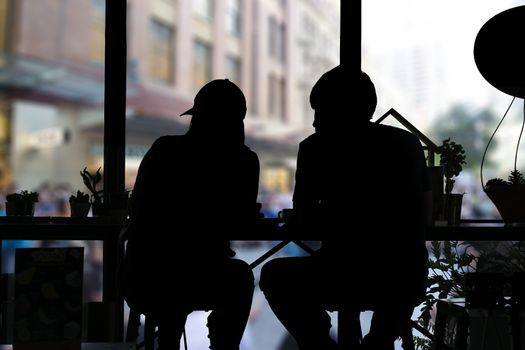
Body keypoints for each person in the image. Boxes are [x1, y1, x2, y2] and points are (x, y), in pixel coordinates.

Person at [259, 66, 431, 350]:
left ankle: (321, 344)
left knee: (274, 275)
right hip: (405, 278)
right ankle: (379, 340)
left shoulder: (315, 148)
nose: (314, 122)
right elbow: (423, 211)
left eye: (320, 111)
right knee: (400, 279)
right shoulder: (407, 143)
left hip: (341, 273)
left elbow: (303, 219)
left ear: (340, 109)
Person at [119, 79, 260, 350]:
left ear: (195, 118)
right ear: (236, 123)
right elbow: (242, 220)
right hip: (200, 275)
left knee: (176, 287)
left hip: (143, 275)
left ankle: (167, 340)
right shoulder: (243, 161)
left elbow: (138, 206)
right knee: (239, 278)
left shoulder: (163, 149)